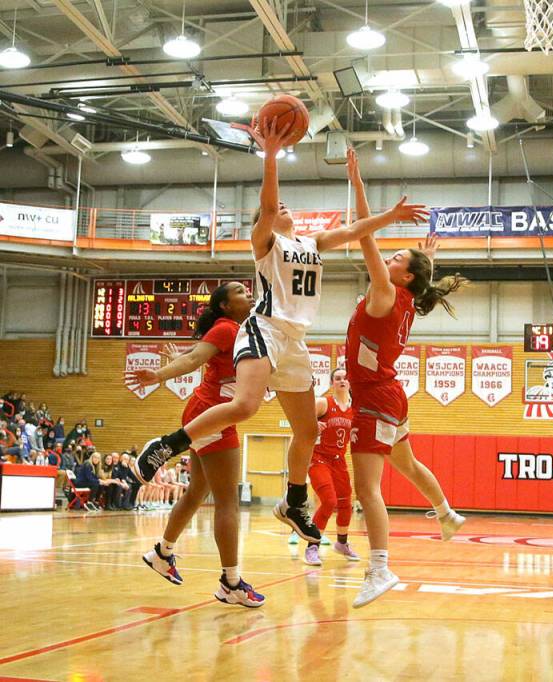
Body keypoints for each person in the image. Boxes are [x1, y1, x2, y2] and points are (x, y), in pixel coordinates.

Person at [131, 119, 430, 548]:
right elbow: (268, 206)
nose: (284, 208)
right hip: (264, 328)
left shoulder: (311, 243)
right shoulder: (266, 242)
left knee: (307, 431)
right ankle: (166, 445)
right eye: (279, 208)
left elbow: (354, 232)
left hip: (294, 341)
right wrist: (270, 154)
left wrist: (391, 217)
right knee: (246, 405)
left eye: (288, 206)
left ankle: (293, 502)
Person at [343, 148, 468, 608]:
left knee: (367, 487)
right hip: (391, 394)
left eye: (397, 257)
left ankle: (380, 568)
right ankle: (446, 513)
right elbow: (410, 270)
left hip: (375, 397)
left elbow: (362, 235)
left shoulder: (385, 291)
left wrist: (360, 187)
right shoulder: (411, 300)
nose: (388, 257)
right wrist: (425, 258)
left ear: (404, 274)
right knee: (407, 466)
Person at [126, 281, 265, 606]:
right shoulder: (228, 328)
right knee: (227, 502)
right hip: (213, 415)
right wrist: (159, 375)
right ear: (225, 306)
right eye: (241, 293)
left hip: (208, 411)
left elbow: (195, 354)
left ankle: (162, 552)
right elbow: (194, 360)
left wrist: (180, 357)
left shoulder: (233, 329)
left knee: (196, 492)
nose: (248, 294)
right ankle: (231, 582)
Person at [302, 367, 360, 567]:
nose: (342, 381)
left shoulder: (354, 410)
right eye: (337, 378)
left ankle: (342, 544)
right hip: (319, 458)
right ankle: (312, 546)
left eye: (345, 378)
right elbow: (300, 420)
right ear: (332, 382)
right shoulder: (323, 403)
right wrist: (312, 426)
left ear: (350, 383)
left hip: (339, 461)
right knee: (328, 501)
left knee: (346, 504)